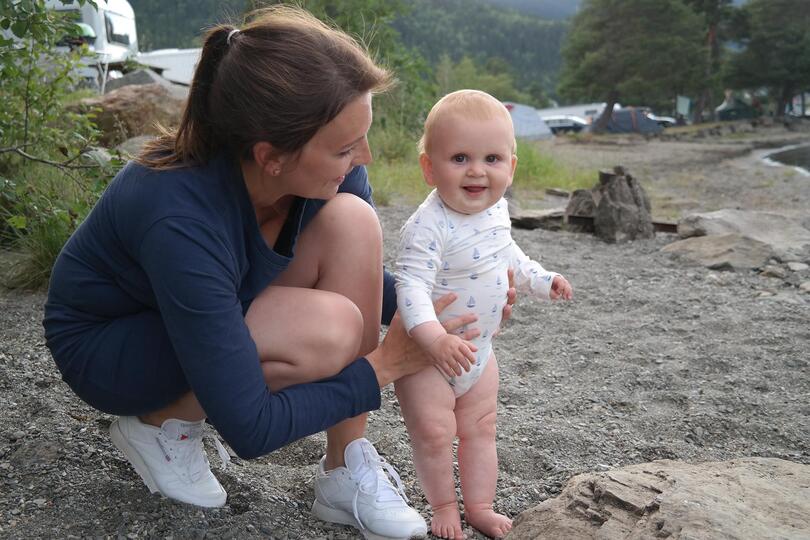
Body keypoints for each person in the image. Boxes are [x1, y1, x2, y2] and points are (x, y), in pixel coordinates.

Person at [42, 8, 516, 540]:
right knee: (328, 330)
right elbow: (252, 429)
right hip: (113, 345)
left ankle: (344, 466)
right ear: (270, 156)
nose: (364, 156)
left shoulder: (318, 165)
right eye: (344, 148)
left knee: (354, 221)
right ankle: (159, 424)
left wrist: (449, 309)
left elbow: (361, 275)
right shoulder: (178, 212)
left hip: (210, 305)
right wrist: (383, 367)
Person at [394, 90, 573, 539]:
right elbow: (410, 284)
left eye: (492, 158)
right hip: (428, 358)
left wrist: (540, 280)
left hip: (480, 353)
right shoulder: (428, 225)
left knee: (481, 429)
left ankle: (479, 505)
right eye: (459, 158)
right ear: (429, 168)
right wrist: (433, 338)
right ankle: (443, 504)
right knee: (435, 433)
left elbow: (509, 255)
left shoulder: (496, 211)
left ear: (511, 168)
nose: (477, 170)